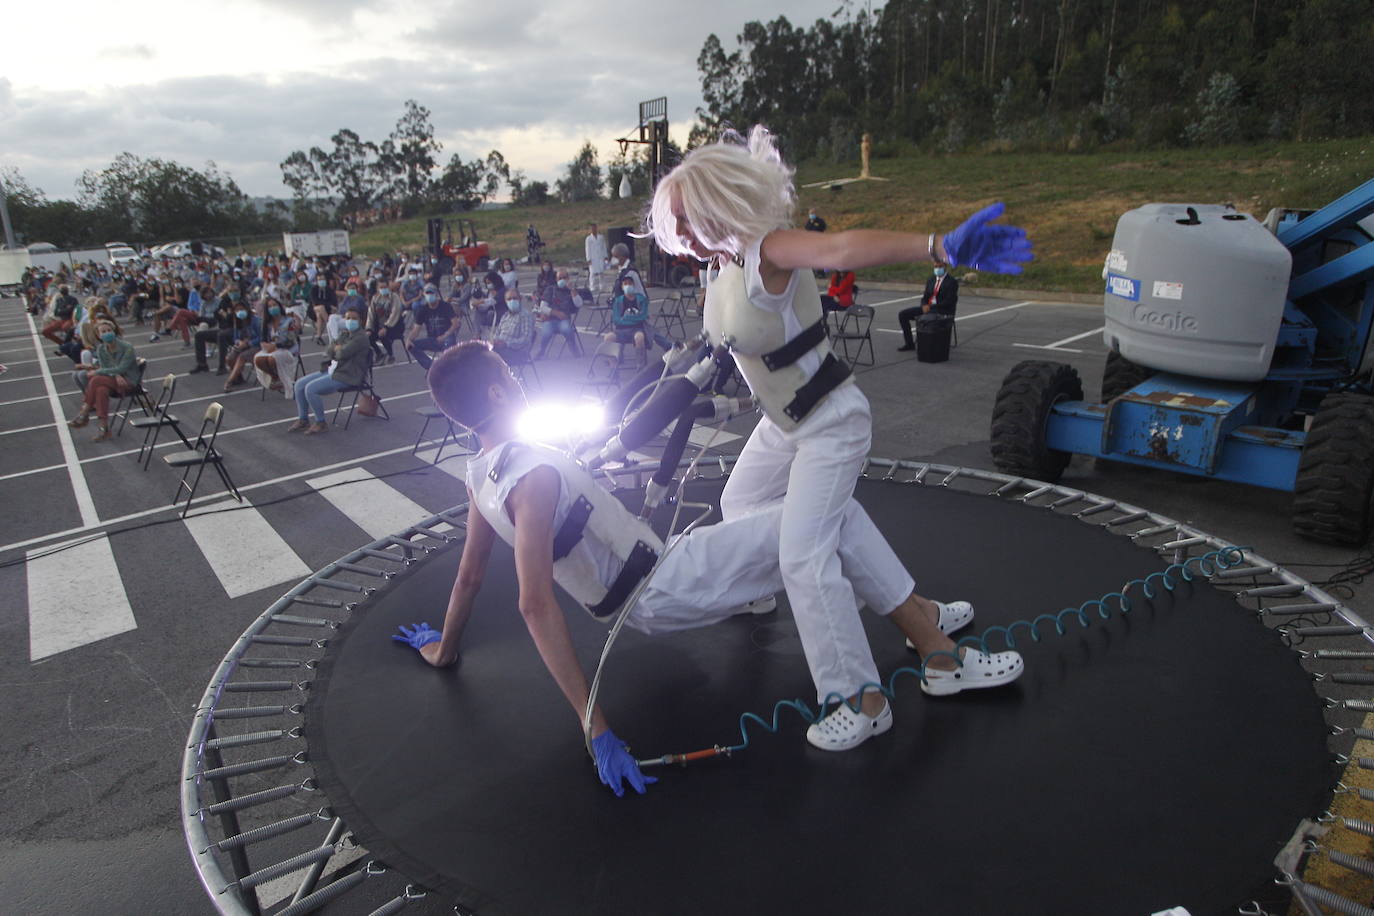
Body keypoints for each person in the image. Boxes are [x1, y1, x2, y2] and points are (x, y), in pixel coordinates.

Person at [393, 342, 1022, 795]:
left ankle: (926, 620)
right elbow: (533, 603)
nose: (518, 379)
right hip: (666, 582)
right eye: (509, 372)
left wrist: (442, 650)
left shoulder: (483, 478)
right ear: (501, 389)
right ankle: (939, 654)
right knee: (834, 516)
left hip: (644, 591)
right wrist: (596, 729)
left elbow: (470, 577)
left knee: (790, 516)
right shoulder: (531, 480)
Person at [643, 125, 1032, 747]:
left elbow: (844, 249)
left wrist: (939, 245)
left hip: (830, 421)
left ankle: (862, 697)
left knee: (802, 554)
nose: (684, 235)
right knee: (745, 506)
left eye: (690, 219)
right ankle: (924, 621)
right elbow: (746, 348)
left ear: (720, 202)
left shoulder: (767, 248)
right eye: (676, 224)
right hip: (784, 426)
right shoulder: (720, 267)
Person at [287, 306, 370, 435]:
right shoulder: (345, 334)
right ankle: (303, 419)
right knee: (299, 385)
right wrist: (337, 349)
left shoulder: (361, 338)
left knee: (311, 389)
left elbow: (342, 353)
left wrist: (337, 350)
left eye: (354, 318)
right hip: (334, 369)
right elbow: (328, 350)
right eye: (348, 318)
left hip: (348, 375)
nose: (350, 321)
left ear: (361, 321)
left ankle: (321, 422)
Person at [67, 319, 139, 442]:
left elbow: (122, 368)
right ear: (99, 335)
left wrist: (101, 371)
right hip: (112, 381)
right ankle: (104, 428)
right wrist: (115, 374)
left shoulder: (127, 347)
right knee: (101, 390)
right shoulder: (101, 349)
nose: (106, 333)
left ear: (114, 331)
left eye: (109, 330)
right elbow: (107, 367)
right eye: (103, 332)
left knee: (96, 379)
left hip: (128, 381)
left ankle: (84, 412)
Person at [897, 264, 959, 352]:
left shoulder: (951, 282)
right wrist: (924, 305)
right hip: (928, 308)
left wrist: (930, 307)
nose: (937, 269)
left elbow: (949, 301)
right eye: (935, 267)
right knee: (903, 314)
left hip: (942, 310)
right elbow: (925, 297)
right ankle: (909, 344)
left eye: (939, 267)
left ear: (945, 267)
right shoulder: (931, 279)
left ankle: (930, 344)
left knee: (929, 317)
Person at [252, 298, 301, 395]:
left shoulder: (289, 321)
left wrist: (275, 345)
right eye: (270, 306)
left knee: (272, 359)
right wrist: (265, 345)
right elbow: (263, 339)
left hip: (288, 349)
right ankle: (275, 377)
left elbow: (291, 340)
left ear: (279, 306)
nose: (272, 308)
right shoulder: (266, 323)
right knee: (258, 359)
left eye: (274, 305)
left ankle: (280, 380)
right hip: (271, 349)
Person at [405, 283, 460, 370]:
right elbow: (416, 329)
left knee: (448, 343)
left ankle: (448, 368)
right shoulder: (422, 309)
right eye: (427, 293)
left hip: (447, 338)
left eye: (431, 293)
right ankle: (431, 366)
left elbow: (455, 324)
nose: (429, 296)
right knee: (412, 345)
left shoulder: (445, 306)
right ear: (424, 295)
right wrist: (409, 339)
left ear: (436, 294)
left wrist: (445, 335)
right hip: (433, 339)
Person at [534, 267, 582, 358]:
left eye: (565, 277)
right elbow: (542, 307)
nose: (562, 280)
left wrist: (572, 290)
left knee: (567, 329)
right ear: (556, 279)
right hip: (550, 319)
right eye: (560, 278)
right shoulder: (550, 290)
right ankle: (541, 351)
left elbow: (579, 304)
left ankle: (573, 347)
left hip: (564, 320)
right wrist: (556, 313)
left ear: (568, 278)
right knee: (546, 332)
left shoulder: (571, 290)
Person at [603, 276, 650, 367]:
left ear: (633, 285)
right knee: (608, 337)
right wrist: (633, 318)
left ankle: (640, 366)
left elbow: (642, 317)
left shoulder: (641, 300)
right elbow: (616, 320)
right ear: (622, 287)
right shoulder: (618, 301)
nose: (628, 285)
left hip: (637, 329)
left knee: (639, 338)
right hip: (621, 331)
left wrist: (626, 318)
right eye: (625, 284)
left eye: (630, 283)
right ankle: (613, 367)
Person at [222, 299, 264, 389]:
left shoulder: (256, 321)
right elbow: (235, 337)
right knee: (229, 358)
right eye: (237, 310)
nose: (239, 312)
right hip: (243, 346)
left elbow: (262, 337)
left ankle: (229, 381)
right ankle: (238, 377)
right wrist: (239, 342)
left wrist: (249, 343)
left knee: (242, 356)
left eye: (241, 309)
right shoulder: (237, 322)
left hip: (257, 346)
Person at [366, 278, 404, 364]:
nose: (383, 289)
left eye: (385, 287)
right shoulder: (375, 298)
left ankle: (391, 355)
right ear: (377, 288)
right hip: (379, 325)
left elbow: (395, 313)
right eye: (381, 287)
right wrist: (369, 329)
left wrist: (386, 327)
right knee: (368, 337)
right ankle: (379, 353)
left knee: (383, 335)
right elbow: (371, 314)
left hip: (394, 325)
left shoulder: (394, 297)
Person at [490, 290, 535, 358]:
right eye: (509, 299)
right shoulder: (505, 315)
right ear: (506, 301)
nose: (512, 301)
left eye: (515, 298)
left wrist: (506, 344)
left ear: (520, 299)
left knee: (489, 357)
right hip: (501, 348)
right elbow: (497, 333)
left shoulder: (525, 316)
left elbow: (526, 339)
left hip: (517, 352)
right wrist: (494, 342)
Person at [584, 222, 608, 295]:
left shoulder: (601, 237)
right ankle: (592, 286)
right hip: (593, 258)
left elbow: (604, 247)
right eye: (592, 228)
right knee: (592, 273)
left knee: (601, 273)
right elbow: (587, 249)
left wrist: (605, 256)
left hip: (600, 257)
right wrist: (588, 259)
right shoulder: (588, 239)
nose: (593, 230)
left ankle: (602, 286)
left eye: (594, 228)